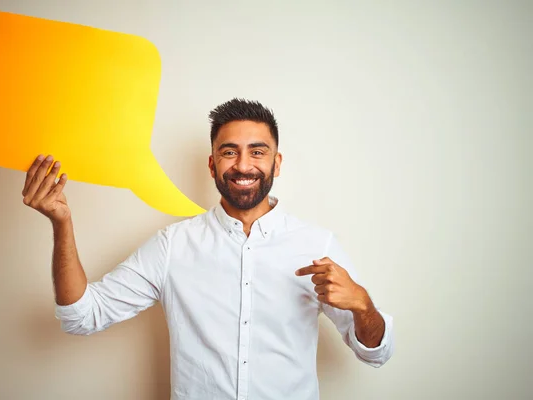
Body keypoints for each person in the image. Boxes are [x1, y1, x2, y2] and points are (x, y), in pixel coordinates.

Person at [22, 98, 394, 399]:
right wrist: (61, 222)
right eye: (230, 152)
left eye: (258, 152)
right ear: (212, 164)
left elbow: (376, 351)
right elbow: (82, 316)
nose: (244, 164)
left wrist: (362, 303)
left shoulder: (317, 245)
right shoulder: (172, 246)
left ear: (276, 164)